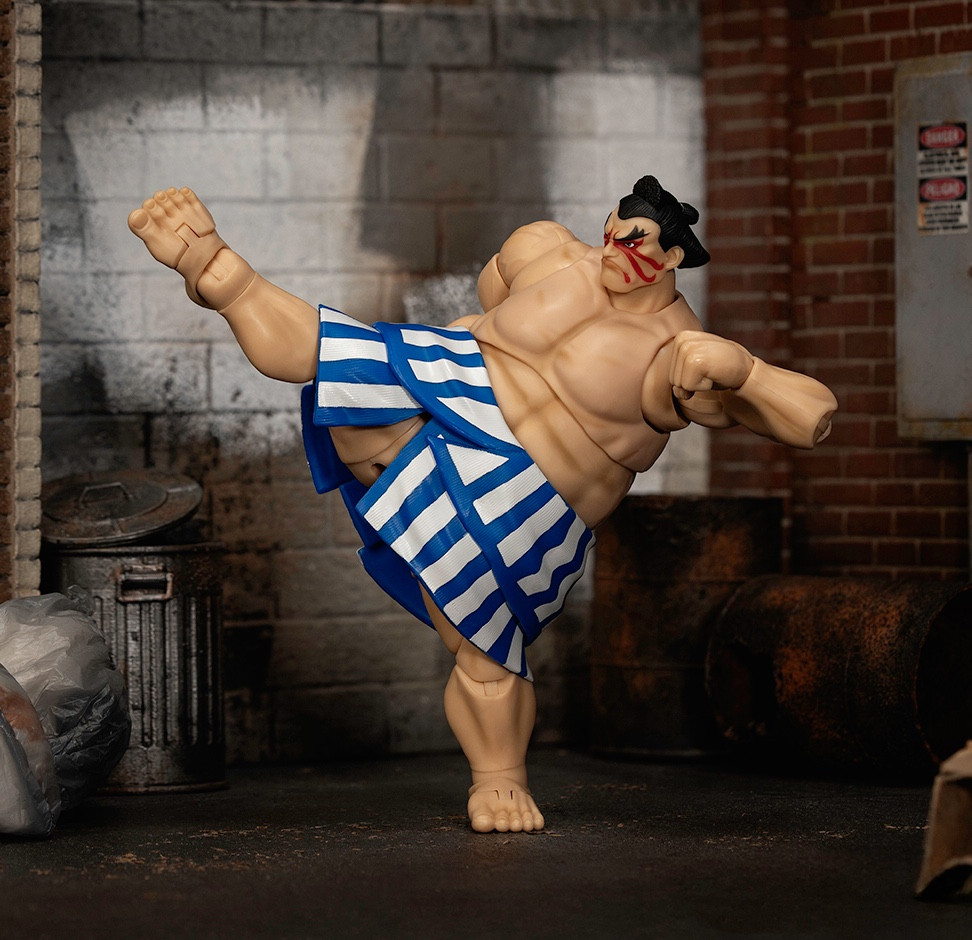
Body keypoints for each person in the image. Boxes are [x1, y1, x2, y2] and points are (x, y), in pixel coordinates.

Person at [128, 176, 837, 833]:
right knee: (345, 351)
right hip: (448, 401)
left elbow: (812, 417)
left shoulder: (682, 349)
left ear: (673, 257)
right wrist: (473, 335)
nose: (615, 255)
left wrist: (747, 372)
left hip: (524, 495)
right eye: (613, 236)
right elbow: (490, 301)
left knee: (483, 647)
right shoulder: (546, 251)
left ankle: (499, 779)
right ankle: (216, 268)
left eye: (637, 248)